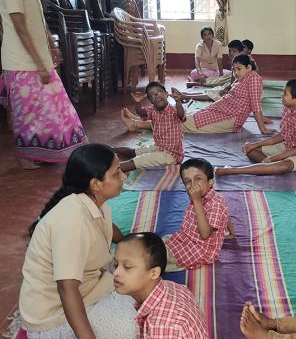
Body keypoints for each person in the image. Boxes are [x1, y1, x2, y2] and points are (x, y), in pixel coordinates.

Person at [17, 144, 137, 338]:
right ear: (96, 184)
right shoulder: (72, 221)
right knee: (132, 324)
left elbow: (107, 227)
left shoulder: (92, 203)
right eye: (116, 173)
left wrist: (132, 244)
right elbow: (66, 287)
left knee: (140, 282)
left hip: (88, 289)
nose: (123, 176)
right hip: (53, 316)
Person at [0, 0, 88, 169]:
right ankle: (25, 156)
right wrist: (39, 64)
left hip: (38, 60)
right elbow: (19, 25)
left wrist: (50, 44)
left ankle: (43, 151)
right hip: (22, 62)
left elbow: (39, 21)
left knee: (55, 108)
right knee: (28, 113)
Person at [122, 53, 273, 134]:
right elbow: (246, 102)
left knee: (179, 123)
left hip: (229, 118)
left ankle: (137, 124)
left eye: (238, 69)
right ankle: (140, 120)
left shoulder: (253, 79)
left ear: (248, 67)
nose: (235, 72)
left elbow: (255, 104)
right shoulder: (245, 78)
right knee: (183, 118)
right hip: (220, 111)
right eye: (234, 69)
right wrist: (261, 118)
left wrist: (262, 128)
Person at [215, 79, 296, 177]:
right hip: (290, 146)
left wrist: (273, 158)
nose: (281, 95)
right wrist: (255, 144)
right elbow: (283, 135)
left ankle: (232, 171)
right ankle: (269, 167)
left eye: (285, 94)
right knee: (250, 150)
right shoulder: (288, 108)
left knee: (283, 166)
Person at [114, 232, 208, 338]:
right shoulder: (171, 286)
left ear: (154, 273)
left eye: (127, 266)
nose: (116, 272)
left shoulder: (162, 327)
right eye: (116, 265)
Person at [164, 158, 235, 271]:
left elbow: (205, 234)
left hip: (200, 250)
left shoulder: (214, 203)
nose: (193, 185)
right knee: (158, 242)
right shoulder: (204, 195)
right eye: (188, 181)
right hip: (187, 237)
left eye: (198, 179)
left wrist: (196, 201)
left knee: (154, 257)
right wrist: (231, 232)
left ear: (210, 182)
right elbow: (225, 214)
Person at [115, 82, 185, 172]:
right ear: (150, 101)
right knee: (132, 152)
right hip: (159, 147)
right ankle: (111, 149)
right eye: (152, 95)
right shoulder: (152, 110)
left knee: (136, 161)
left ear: (167, 94)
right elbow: (140, 112)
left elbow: (181, 114)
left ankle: (108, 171)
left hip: (171, 155)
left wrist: (178, 101)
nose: (156, 95)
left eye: (159, 92)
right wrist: (137, 103)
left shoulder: (174, 111)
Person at [172, 40, 245, 101]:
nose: (231, 53)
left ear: (241, 52)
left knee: (215, 93)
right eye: (229, 51)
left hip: (237, 90)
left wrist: (228, 89)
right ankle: (185, 94)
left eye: (234, 51)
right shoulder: (200, 46)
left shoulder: (241, 65)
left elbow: (238, 83)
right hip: (230, 85)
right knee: (214, 89)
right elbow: (232, 81)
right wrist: (228, 87)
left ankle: (185, 96)